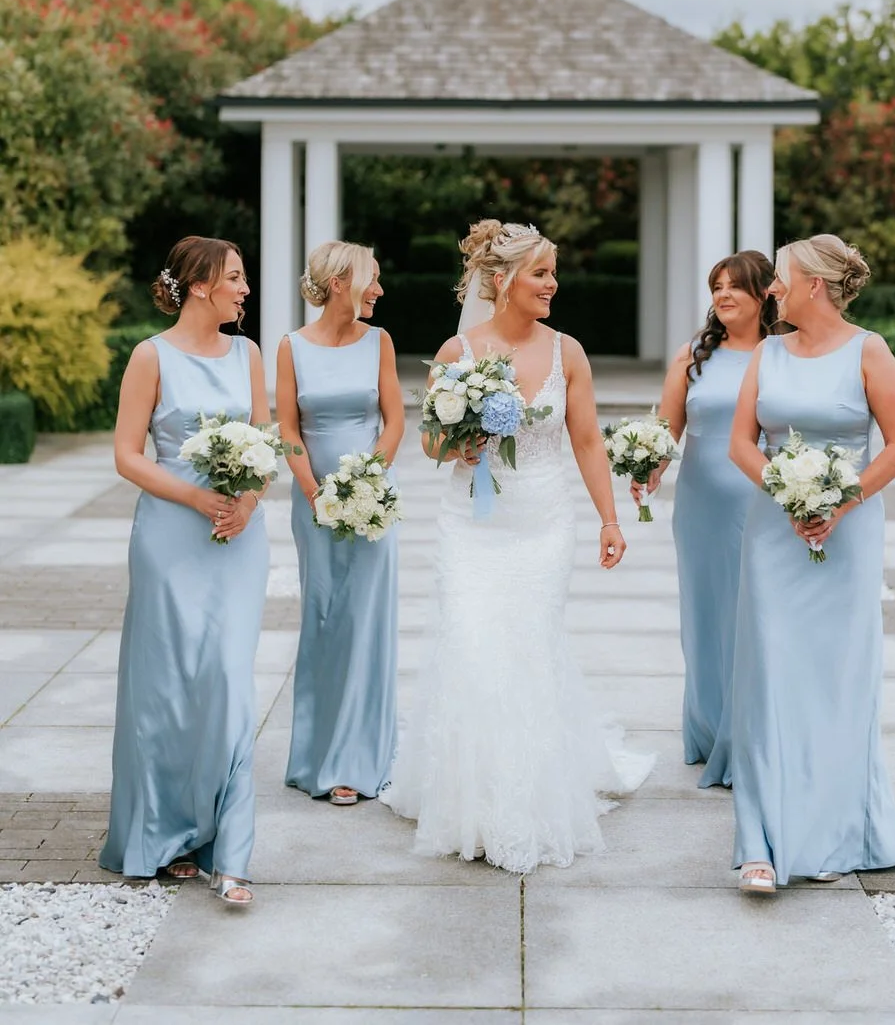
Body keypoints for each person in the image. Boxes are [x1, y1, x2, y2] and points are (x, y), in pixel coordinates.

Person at [379, 219, 654, 872]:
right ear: (502, 281)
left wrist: (610, 520)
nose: (553, 284)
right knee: (474, 649)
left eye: (553, 272)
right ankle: (470, 803)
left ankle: (528, 801)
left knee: (528, 649)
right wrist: (459, 441)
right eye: (541, 273)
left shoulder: (568, 353)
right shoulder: (457, 353)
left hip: (544, 521)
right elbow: (428, 445)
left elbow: (586, 441)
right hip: (472, 523)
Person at [728, 234, 895, 894]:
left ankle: (835, 829)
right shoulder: (768, 353)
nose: (769, 289)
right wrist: (787, 491)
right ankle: (760, 842)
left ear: (813, 283)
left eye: (778, 278)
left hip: (849, 535)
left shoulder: (870, 351)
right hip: (773, 535)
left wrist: (842, 502)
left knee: (836, 679)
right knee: (771, 676)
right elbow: (741, 444)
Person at [100, 237, 270, 906]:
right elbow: (126, 453)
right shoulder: (151, 356)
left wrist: (247, 503)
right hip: (170, 535)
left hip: (237, 540)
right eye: (235, 278)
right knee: (166, 687)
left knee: (228, 680)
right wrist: (194, 495)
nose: (244, 290)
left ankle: (230, 853)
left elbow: (266, 440)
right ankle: (165, 835)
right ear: (200, 284)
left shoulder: (248, 354)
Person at [632, 251, 777, 788]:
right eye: (717, 286)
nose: (723, 295)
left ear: (764, 293)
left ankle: (747, 737)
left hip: (761, 501)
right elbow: (667, 428)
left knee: (752, 616)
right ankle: (708, 728)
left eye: (736, 286)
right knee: (706, 613)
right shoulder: (695, 354)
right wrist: (647, 468)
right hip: (699, 506)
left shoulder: (781, 353)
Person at [277, 242, 404, 804]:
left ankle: (359, 758)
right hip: (313, 506)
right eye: (370, 280)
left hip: (373, 503)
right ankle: (315, 754)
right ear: (338, 284)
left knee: (366, 621)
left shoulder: (380, 342)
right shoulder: (290, 348)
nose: (378, 290)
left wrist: (367, 483)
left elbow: (396, 419)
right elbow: (288, 429)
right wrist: (316, 495)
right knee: (324, 619)